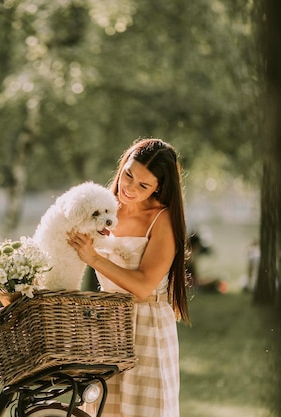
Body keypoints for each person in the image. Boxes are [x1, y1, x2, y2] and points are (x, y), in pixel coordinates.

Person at [67, 137, 190, 417]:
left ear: (160, 186)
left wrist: (94, 258)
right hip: (107, 326)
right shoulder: (104, 210)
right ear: (122, 166)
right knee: (101, 409)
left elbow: (144, 286)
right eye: (128, 175)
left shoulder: (163, 219)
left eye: (143, 185)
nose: (130, 188)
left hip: (148, 328)